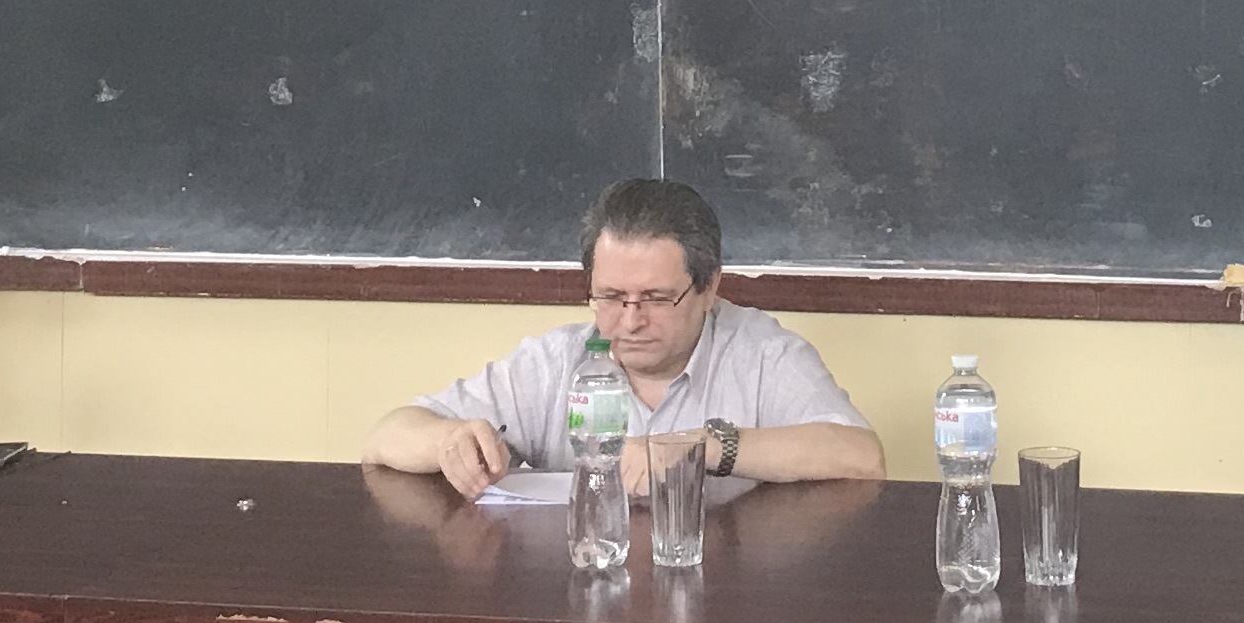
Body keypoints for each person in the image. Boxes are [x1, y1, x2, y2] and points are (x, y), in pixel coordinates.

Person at [363, 178, 885, 502]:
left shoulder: (762, 354)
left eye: (656, 298)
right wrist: (448, 441)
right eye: (611, 296)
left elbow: (862, 458)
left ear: (709, 287)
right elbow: (386, 438)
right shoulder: (558, 360)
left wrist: (699, 448)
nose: (630, 321)